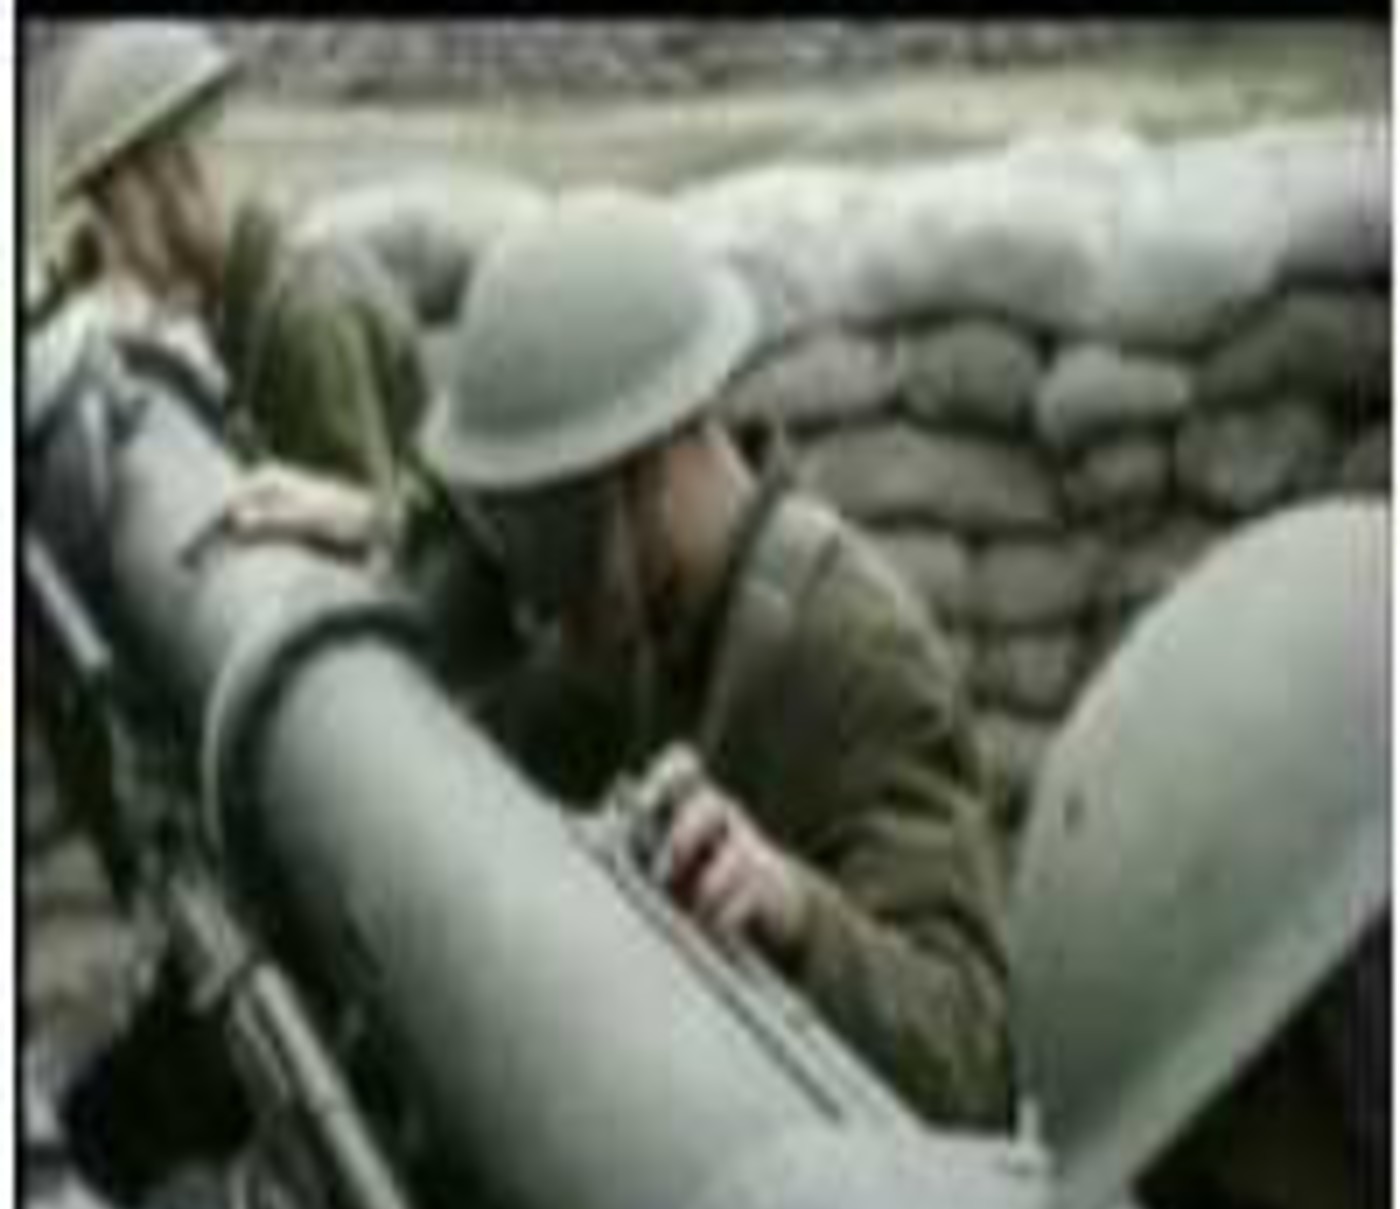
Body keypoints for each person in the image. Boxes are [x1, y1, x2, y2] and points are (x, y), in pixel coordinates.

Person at [214, 191, 1014, 1130]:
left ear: (648, 469)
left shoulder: (848, 654)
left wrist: (795, 912)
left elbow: (973, 1059)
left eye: (551, 525)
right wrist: (387, 532)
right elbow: (492, 726)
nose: (545, 599)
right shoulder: (642, 625)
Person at [46, 20, 426, 517]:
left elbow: (383, 540)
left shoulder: (308, 317)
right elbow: (80, 262)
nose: (115, 252)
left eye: (115, 215)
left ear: (179, 171)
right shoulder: (233, 281)